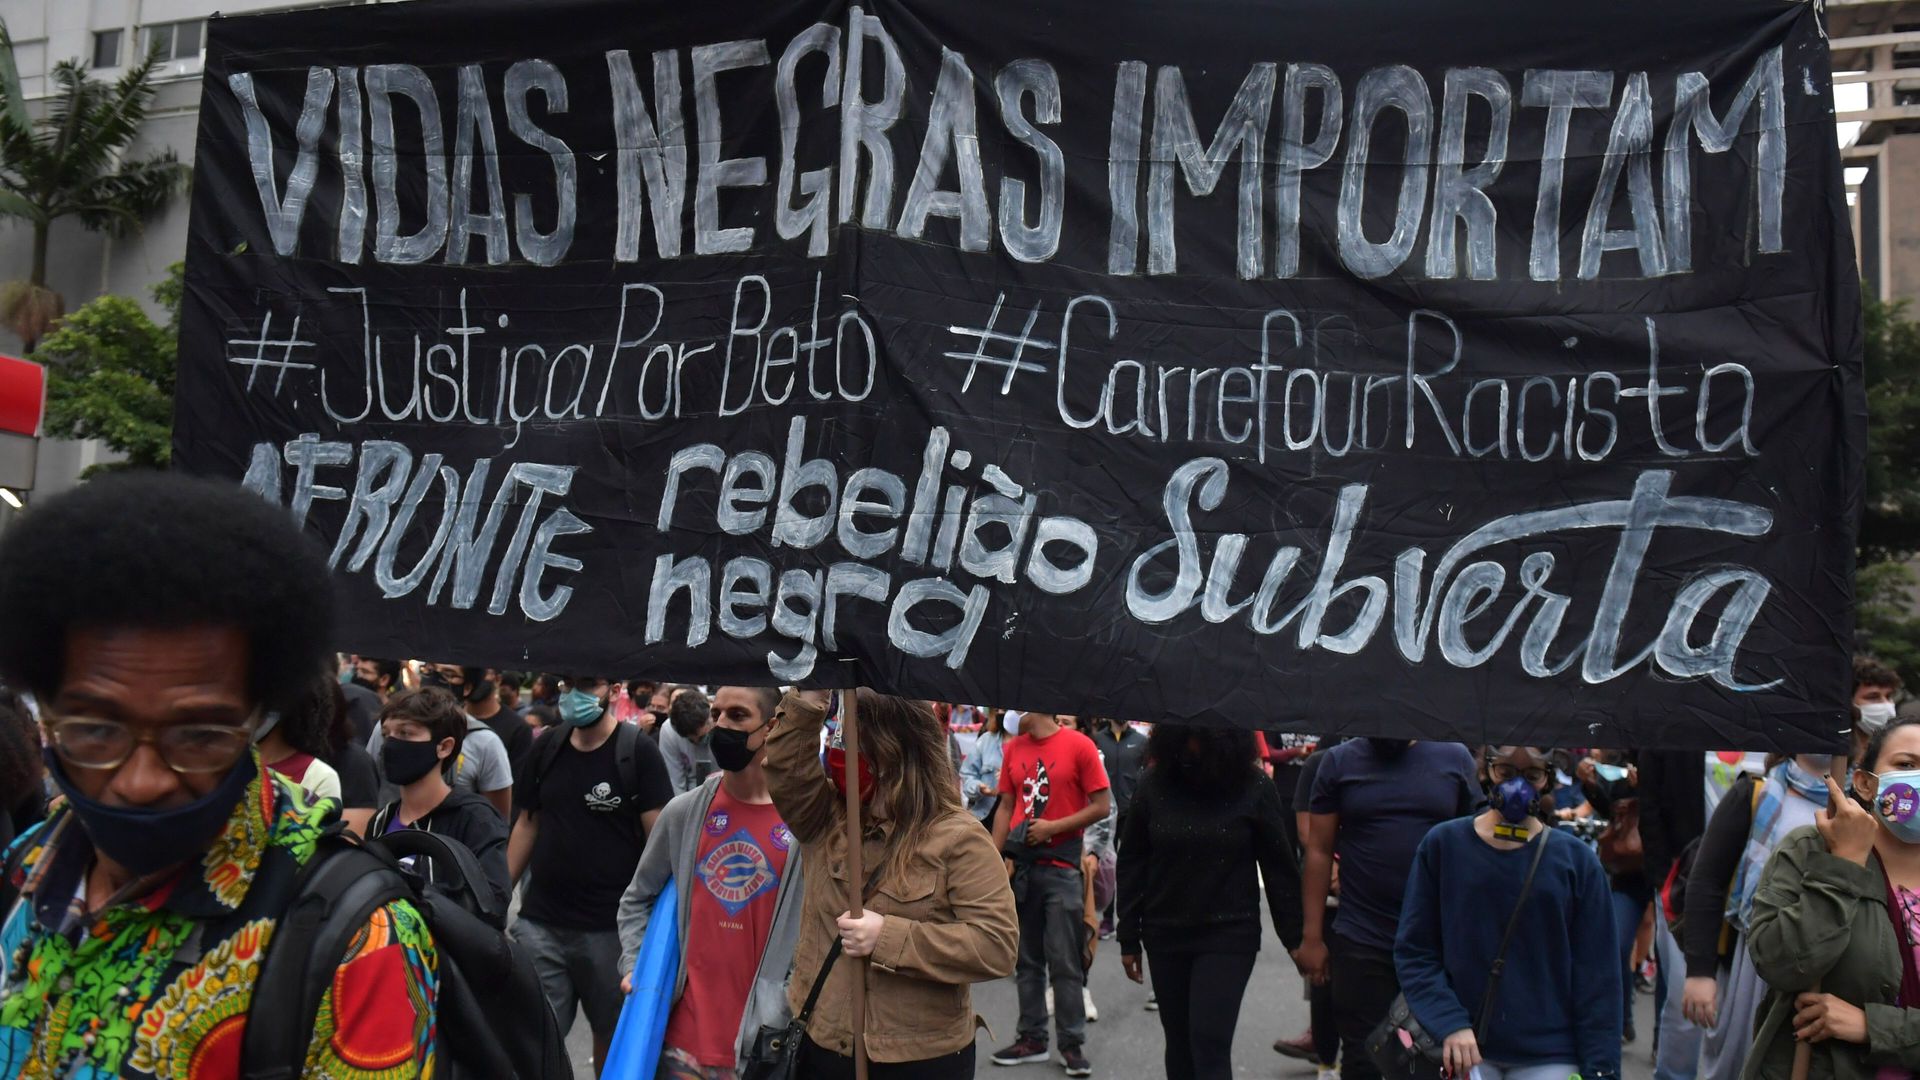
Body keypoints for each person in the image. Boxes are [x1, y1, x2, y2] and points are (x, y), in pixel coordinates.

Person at [0, 472, 438, 1076]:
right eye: (97, 730)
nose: (141, 781)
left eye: (199, 735)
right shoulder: (30, 861)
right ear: (45, 717)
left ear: (257, 718)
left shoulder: (356, 944)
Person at [762, 689, 1018, 1078]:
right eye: (839, 735)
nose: (841, 750)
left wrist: (888, 938)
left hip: (919, 1059)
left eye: (854, 738)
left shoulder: (959, 837)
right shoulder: (827, 818)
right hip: (822, 1043)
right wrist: (811, 695)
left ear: (895, 747)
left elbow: (996, 944)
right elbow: (785, 766)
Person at [1396, 746, 1621, 1080]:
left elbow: (1598, 976)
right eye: (1506, 772)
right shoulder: (1443, 846)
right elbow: (1415, 952)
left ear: (1547, 779)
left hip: (1550, 1053)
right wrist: (1449, 1023)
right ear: (1486, 771)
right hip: (1461, 1049)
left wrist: (1601, 1070)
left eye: (1532, 775)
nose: (1519, 786)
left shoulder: (1577, 862)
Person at [617, 686, 804, 1079]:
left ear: (771, 728)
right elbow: (637, 898)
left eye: (737, 716)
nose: (720, 725)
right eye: (716, 713)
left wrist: (787, 1001)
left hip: (760, 1050)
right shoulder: (684, 813)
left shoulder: (804, 826)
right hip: (680, 1045)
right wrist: (637, 964)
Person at [507, 673, 674, 1074]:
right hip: (540, 923)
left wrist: (653, 928)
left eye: (587, 686)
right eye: (568, 686)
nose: (573, 696)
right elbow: (528, 823)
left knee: (611, 1036)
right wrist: (497, 895)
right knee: (531, 1035)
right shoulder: (547, 746)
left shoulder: (638, 753)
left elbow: (660, 844)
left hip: (610, 932)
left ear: (615, 692)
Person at [1116, 724, 1302, 1080]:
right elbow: (1132, 861)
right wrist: (1128, 934)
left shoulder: (1254, 786)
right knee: (1180, 1045)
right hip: (1165, 931)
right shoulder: (1154, 785)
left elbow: (1279, 868)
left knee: (1209, 1043)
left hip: (1229, 931)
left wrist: (1296, 938)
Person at [1740, 716, 1920, 1079]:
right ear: (1865, 784)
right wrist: (1843, 867)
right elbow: (1779, 963)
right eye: (1907, 765)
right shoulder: (1811, 849)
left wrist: (1873, 1026)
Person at [1296, 736, 1479, 1080]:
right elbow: (1318, 850)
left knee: (1430, 1059)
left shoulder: (1455, 758)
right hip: (1361, 937)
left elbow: (1474, 843)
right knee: (1364, 1058)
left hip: (1434, 945)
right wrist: (1311, 936)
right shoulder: (1337, 763)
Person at [1682, 750, 1834, 1080]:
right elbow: (1708, 879)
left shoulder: (1861, 806)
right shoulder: (1753, 793)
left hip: (1826, 967)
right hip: (1749, 966)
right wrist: (1700, 971)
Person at [989, 709, 1113, 1076]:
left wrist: (1053, 827)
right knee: (1026, 961)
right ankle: (1032, 1038)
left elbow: (1102, 806)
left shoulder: (1080, 745)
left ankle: (1071, 1043)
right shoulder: (1014, 750)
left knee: (1064, 961)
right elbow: (1006, 806)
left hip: (1061, 867)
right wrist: (994, 864)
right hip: (1023, 868)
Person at [368, 686, 512, 925]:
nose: (391, 744)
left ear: (444, 747)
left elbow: (493, 905)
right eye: (386, 734)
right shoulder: (381, 819)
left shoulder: (475, 819)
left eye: (405, 733)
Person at [1638, 746, 1712, 1080]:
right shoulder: (1669, 728)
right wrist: (1664, 877)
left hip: (1743, 880)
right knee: (1686, 998)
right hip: (1680, 880)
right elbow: (1650, 808)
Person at [368, 662, 516, 820]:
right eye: (429, 669)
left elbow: (498, 816)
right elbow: (368, 784)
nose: (434, 678)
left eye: (448, 674)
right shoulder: (387, 728)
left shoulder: (485, 742)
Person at [662, 686, 718, 794]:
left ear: (709, 719)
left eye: (701, 737)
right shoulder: (669, 730)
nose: (697, 743)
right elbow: (675, 781)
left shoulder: (723, 723)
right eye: (691, 740)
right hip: (690, 792)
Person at [960, 709, 1010, 823]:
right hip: (983, 815)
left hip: (1014, 820)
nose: (1001, 713)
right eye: (997, 709)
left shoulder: (1028, 744)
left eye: (1005, 709)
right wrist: (978, 787)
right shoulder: (986, 740)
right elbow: (967, 774)